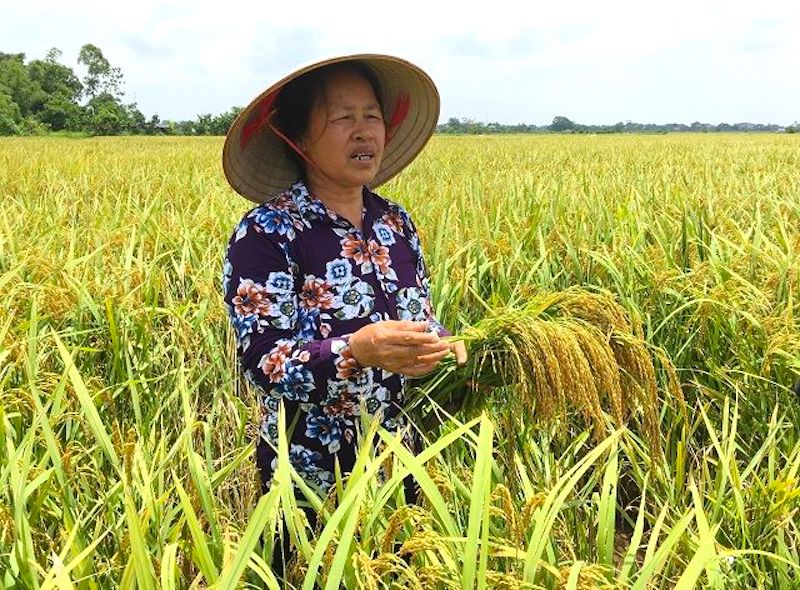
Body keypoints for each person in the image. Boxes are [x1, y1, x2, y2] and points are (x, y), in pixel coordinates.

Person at [221, 54, 466, 504]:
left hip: (398, 465)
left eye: (372, 115)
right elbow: (263, 362)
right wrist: (355, 351)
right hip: (307, 477)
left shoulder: (395, 222)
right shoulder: (267, 231)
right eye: (343, 117)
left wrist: (443, 343)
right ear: (297, 139)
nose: (364, 130)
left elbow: (420, 320)